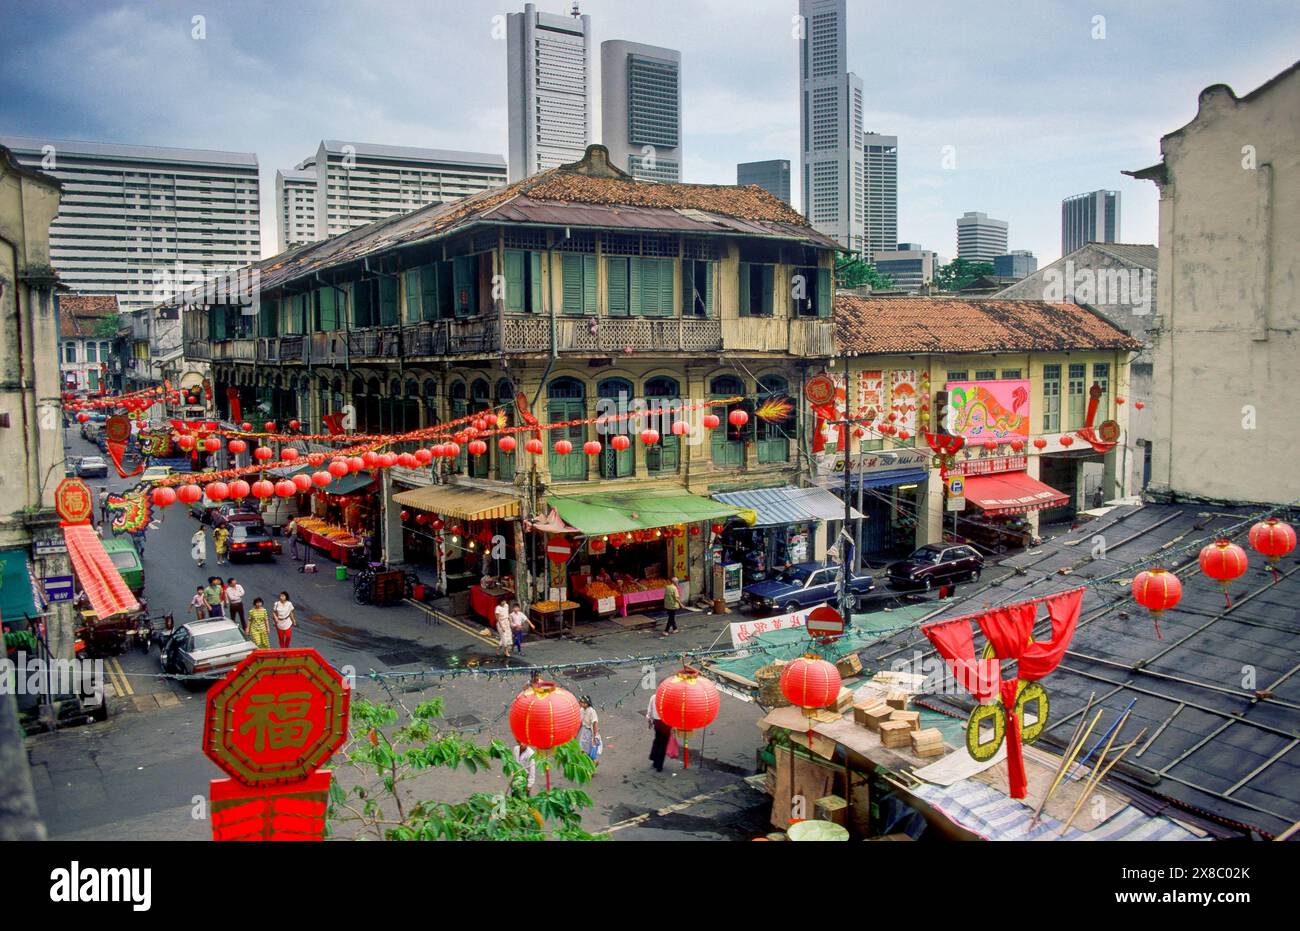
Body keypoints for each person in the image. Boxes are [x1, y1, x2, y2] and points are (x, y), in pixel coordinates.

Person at [647, 692, 671, 773]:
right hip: (666, 723)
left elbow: (649, 711)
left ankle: (654, 760)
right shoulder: (670, 698)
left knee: (657, 740)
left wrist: (649, 721)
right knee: (663, 744)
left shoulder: (654, 697)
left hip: (657, 723)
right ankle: (659, 765)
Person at [578, 696, 600, 770]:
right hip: (584, 732)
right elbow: (580, 723)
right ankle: (591, 765)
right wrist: (576, 733)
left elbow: (595, 723)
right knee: (583, 750)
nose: (580, 703)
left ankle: (592, 766)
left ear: (587, 703)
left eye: (582, 702)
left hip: (590, 732)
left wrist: (594, 736)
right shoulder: (581, 710)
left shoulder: (591, 711)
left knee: (590, 752)